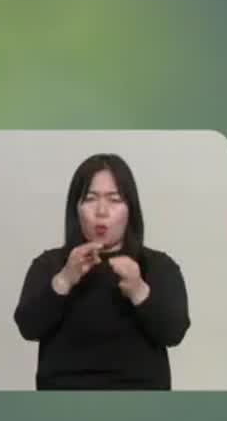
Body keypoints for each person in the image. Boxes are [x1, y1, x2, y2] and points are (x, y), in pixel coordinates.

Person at [12, 152, 191, 389]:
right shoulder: (50, 264)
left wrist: (139, 291)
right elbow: (28, 328)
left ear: (130, 209)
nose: (102, 211)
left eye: (114, 199)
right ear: (76, 208)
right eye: (90, 198)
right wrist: (64, 280)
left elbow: (174, 333)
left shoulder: (157, 265)